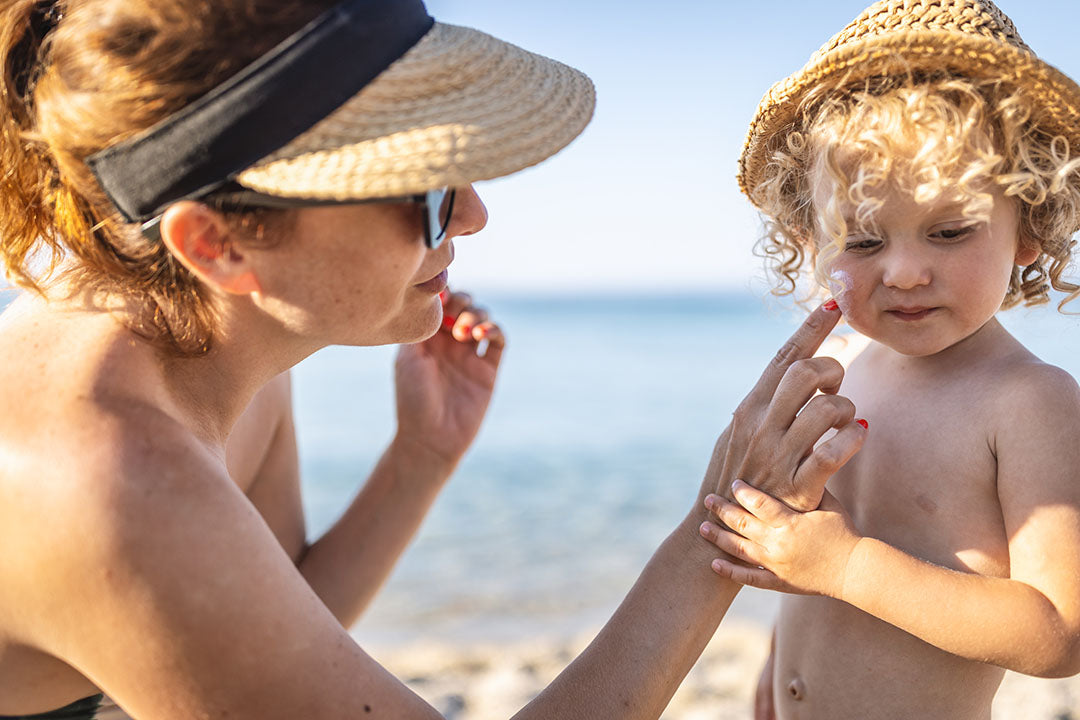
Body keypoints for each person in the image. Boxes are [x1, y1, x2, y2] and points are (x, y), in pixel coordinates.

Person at [0, 0, 868, 717]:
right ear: (220, 243)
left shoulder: (179, 319)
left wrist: (420, 458)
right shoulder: (106, 475)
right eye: (425, 192)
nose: (473, 215)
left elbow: (271, 632)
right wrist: (719, 526)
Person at [699, 1, 1080, 718]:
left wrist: (844, 565)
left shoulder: (1029, 400)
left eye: (949, 231)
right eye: (865, 241)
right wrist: (776, 677)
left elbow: (1059, 634)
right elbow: (810, 567)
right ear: (811, 241)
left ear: (1027, 226)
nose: (904, 272)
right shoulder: (838, 362)